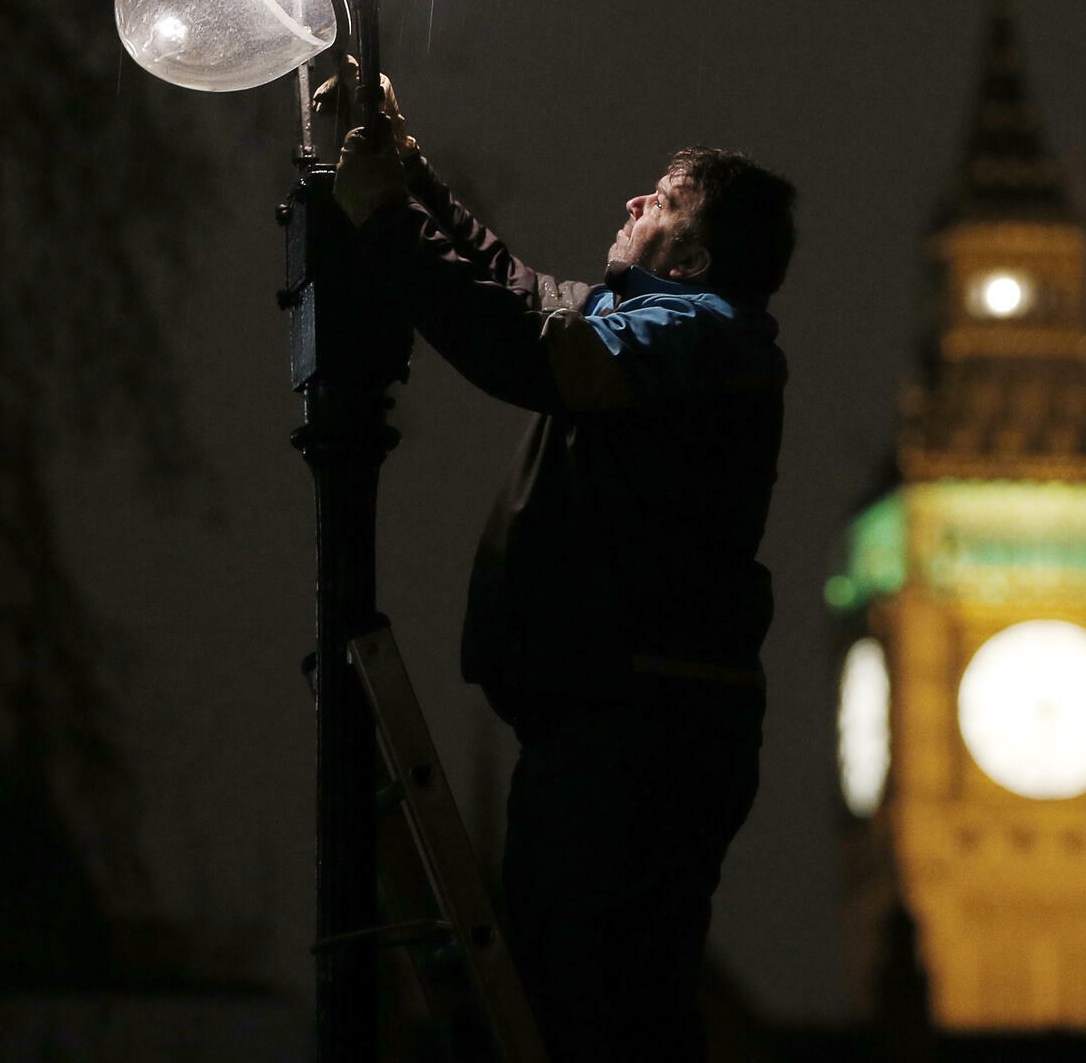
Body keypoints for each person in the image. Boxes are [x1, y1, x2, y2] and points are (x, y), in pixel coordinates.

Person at [331, 81, 795, 1062]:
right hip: (615, 716)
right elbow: (513, 291)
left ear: (697, 255)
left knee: (596, 1011)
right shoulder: (660, 327)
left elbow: (526, 349)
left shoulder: (701, 333)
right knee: (573, 1001)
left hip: (634, 730)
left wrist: (380, 216)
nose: (633, 204)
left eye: (660, 200)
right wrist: (412, 175)